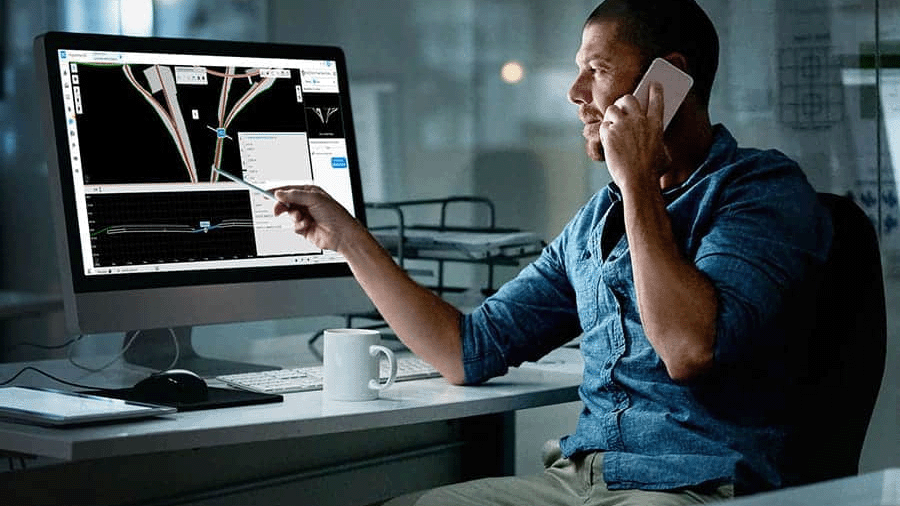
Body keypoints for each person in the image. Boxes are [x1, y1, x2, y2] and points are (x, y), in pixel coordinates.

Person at [274, 0, 832, 504]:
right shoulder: (596, 222)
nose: (575, 93)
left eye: (598, 70)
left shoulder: (760, 192)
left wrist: (639, 181)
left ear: (668, 79)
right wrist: (348, 239)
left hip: (692, 485)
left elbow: (687, 350)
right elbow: (466, 350)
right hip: (576, 481)